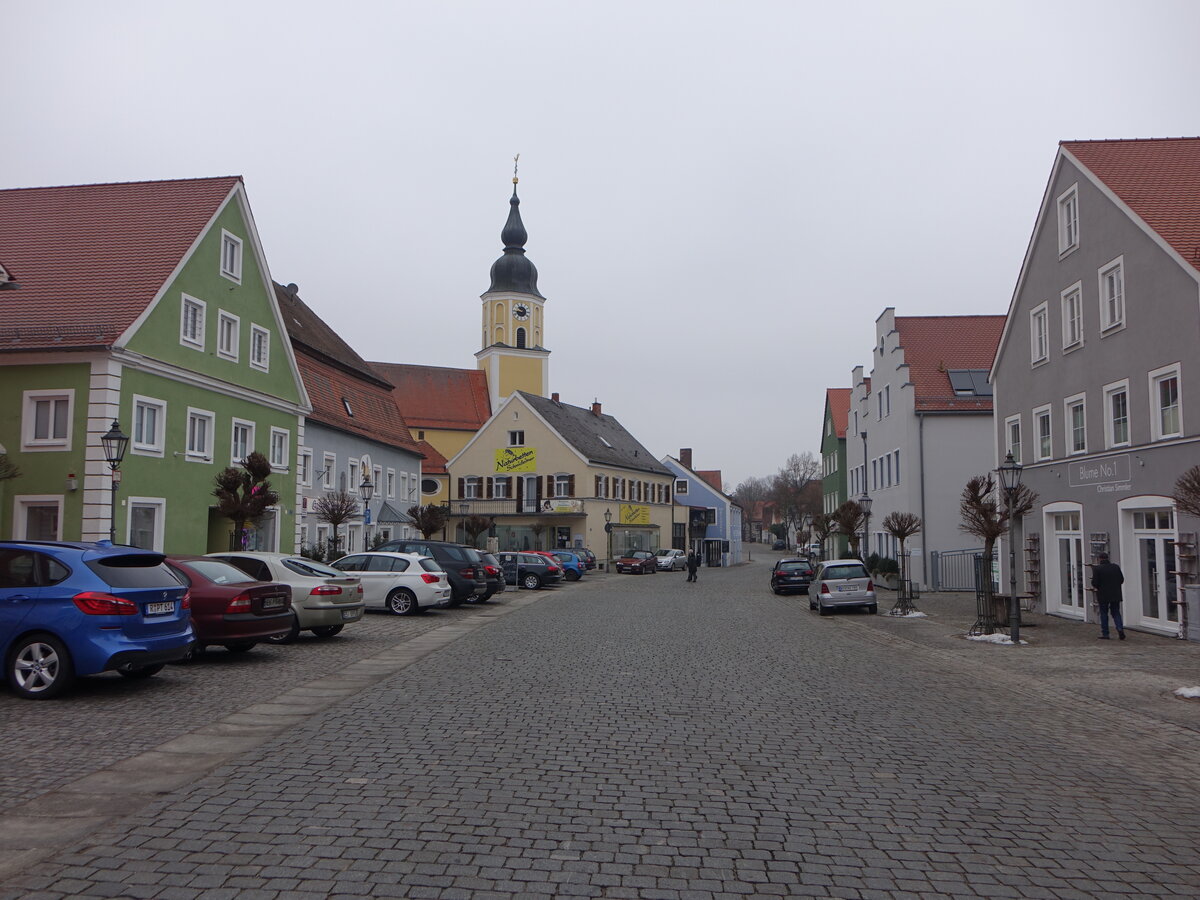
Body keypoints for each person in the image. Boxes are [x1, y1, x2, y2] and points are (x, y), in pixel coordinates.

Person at [1091, 552, 1126, 640]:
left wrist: (1097, 587)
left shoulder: (1098, 569)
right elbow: (1121, 579)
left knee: (1104, 613)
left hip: (1103, 595)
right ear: (1108, 558)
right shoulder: (1115, 567)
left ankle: (1105, 633)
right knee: (1116, 612)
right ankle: (1120, 628)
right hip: (1115, 594)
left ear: (1099, 559)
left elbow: (1095, 583)